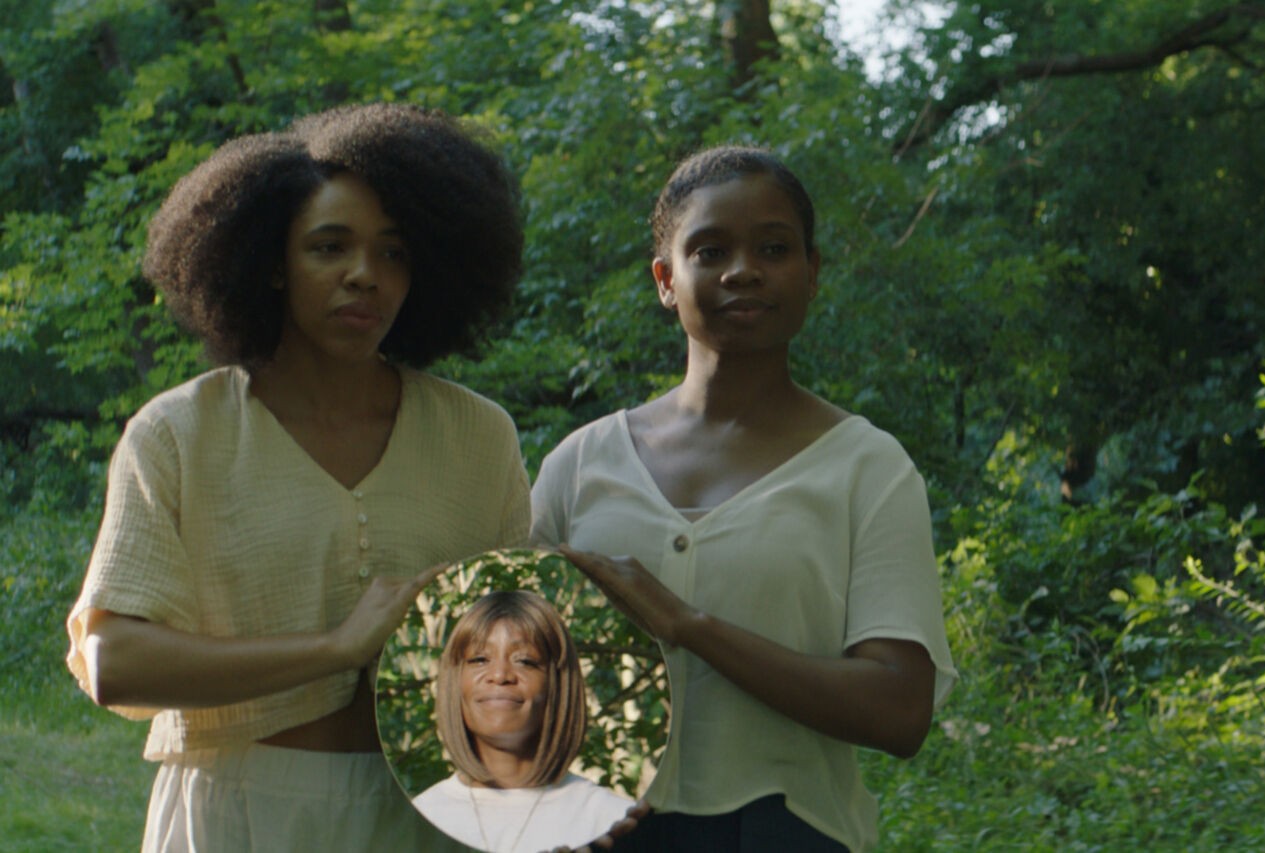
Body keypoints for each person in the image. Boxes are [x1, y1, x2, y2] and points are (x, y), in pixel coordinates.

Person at [65, 103, 530, 852]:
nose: (364, 276)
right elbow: (115, 662)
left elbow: (523, 650)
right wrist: (334, 648)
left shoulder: (478, 435)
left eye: (395, 252)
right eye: (329, 246)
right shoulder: (179, 431)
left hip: (434, 814)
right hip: (236, 811)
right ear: (271, 263)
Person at [530, 146, 958, 851]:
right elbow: (499, 659)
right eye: (710, 249)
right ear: (667, 280)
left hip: (789, 830)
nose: (743, 269)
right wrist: (552, 795)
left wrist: (688, 624)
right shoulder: (582, 464)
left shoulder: (866, 468)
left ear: (812, 273)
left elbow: (900, 710)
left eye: (773, 247)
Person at [413, 589, 634, 852]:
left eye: (525, 661)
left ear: (557, 685)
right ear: (455, 682)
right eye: (480, 659)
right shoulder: (418, 818)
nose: (500, 674)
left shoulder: (611, 819)